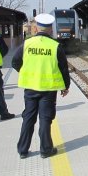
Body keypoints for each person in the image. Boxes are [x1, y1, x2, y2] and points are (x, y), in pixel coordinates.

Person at [12, 13, 70, 159]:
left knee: (28, 117)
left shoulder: (26, 44)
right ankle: (45, 150)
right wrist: (65, 86)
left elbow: (15, 62)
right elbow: (63, 69)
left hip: (30, 87)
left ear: (36, 28)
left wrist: (25, 71)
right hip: (48, 90)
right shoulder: (56, 46)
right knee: (45, 118)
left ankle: (23, 150)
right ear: (50, 29)